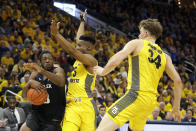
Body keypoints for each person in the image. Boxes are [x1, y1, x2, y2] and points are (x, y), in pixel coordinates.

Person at [94, 18, 182, 131]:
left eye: (140, 32)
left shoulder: (137, 43)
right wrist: (176, 107)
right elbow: (178, 81)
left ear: (146, 33)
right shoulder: (165, 56)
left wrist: (102, 71)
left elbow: (115, 61)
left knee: (102, 128)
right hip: (150, 102)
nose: (139, 35)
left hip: (135, 96)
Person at [50, 10, 98, 131]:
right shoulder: (80, 56)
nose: (77, 45)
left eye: (79, 45)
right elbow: (78, 40)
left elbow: (73, 51)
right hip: (72, 106)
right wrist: (82, 22)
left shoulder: (91, 61)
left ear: (88, 48)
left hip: (87, 106)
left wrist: (56, 35)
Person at [20, 50, 66, 131]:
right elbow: (24, 96)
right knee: (24, 129)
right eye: (44, 59)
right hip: (37, 113)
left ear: (53, 61)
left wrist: (42, 71)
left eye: (50, 59)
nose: (47, 61)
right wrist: (29, 83)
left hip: (54, 115)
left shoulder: (57, 70)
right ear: (40, 62)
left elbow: (61, 82)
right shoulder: (35, 74)